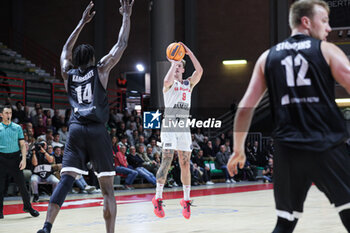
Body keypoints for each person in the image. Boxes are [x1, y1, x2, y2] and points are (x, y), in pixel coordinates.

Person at [227, 1, 350, 232]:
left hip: (288, 150)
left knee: (285, 222)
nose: (329, 28)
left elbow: (245, 107)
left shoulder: (267, 57)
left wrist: (238, 150)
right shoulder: (325, 50)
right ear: (306, 22)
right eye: (324, 21)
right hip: (326, 145)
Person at [37, 1, 134, 233]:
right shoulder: (100, 69)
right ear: (91, 59)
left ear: (76, 61)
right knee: (107, 190)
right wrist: (126, 16)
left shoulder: (67, 73)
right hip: (97, 130)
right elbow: (121, 44)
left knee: (66, 179)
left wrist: (81, 22)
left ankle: (47, 226)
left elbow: (64, 51)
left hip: (76, 129)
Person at [152, 42, 203, 219]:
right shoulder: (169, 84)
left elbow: (200, 71)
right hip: (169, 125)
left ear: (183, 70)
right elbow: (166, 80)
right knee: (166, 159)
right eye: (175, 66)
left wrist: (188, 53)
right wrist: (173, 61)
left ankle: (186, 201)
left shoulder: (188, 84)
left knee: (184, 163)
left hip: (183, 127)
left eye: (179, 66)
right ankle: (158, 198)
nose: (176, 68)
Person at [0, 105, 39, 219]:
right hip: (1, 159)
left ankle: (28, 207)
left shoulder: (17, 127)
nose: (9, 115)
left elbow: (22, 145)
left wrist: (23, 159)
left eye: (10, 113)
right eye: (6, 113)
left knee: (22, 185)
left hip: (15, 158)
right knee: (0, 187)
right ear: (1, 115)